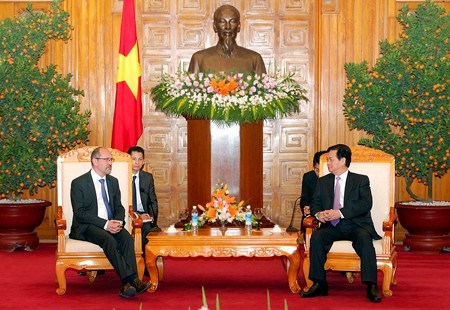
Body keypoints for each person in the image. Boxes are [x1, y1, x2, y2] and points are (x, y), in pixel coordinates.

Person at [300, 144, 382, 303]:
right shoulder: (323, 182)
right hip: (332, 226)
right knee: (316, 238)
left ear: (342, 160)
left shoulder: (360, 180)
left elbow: (365, 204)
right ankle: (319, 283)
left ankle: (371, 285)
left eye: (330, 159)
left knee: (365, 240)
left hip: (356, 225)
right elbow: (315, 203)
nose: (328, 163)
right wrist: (319, 214)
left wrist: (340, 212)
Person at [69, 147, 151, 298]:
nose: (110, 163)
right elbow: (80, 213)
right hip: (87, 226)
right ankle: (131, 280)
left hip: (110, 223)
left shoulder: (113, 182)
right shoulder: (79, 183)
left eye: (111, 160)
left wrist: (118, 222)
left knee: (126, 238)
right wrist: (106, 224)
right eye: (106, 160)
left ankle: (129, 285)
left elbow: (119, 207)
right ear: (95, 161)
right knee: (108, 239)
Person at [188, 4, 266, 75]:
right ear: (215, 26)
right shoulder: (199, 58)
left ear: (238, 26)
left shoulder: (254, 59)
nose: (227, 27)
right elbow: (191, 89)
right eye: (222, 22)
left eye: (232, 21)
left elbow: (263, 89)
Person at [127, 146, 161, 252]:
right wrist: (137, 215)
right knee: (142, 228)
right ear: (128, 160)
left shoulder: (147, 177)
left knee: (147, 228)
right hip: (128, 215)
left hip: (145, 215)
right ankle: (138, 260)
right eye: (134, 159)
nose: (137, 162)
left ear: (143, 162)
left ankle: (144, 262)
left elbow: (153, 201)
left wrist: (151, 217)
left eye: (140, 159)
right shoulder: (121, 176)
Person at [299, 150, 327, 232]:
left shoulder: (334, 178)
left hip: (329, 214)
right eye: (317, 170)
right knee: (306, 221)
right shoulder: (308, 177)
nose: (319, 173)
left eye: (321, 170)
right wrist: (306, 207)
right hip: (313, 213)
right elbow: (304, 199)